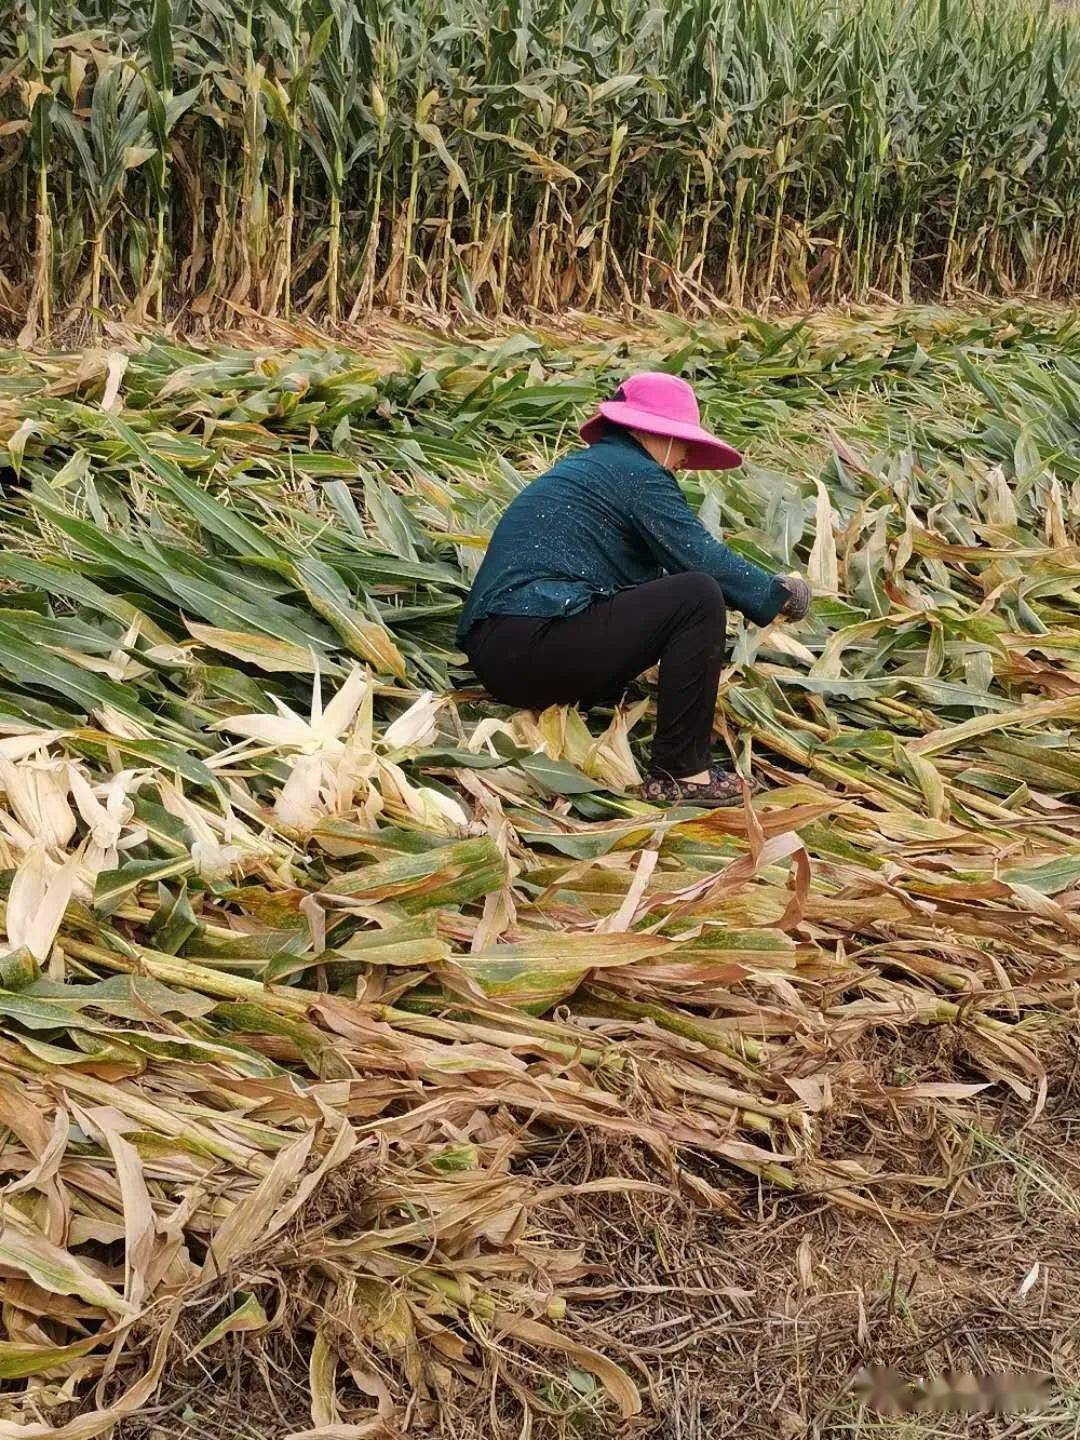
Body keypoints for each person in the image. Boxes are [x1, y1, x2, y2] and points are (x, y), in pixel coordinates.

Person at [457, 372, 810, 807]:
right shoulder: (635, 473)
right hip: (531, 641)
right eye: (681, 443)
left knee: (677, 594)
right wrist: (777, 594)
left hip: (503, 652)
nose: (684, 458)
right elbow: (700, 558)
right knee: (697, 595)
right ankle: (682, 773)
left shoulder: (594, 468)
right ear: (647, 431)